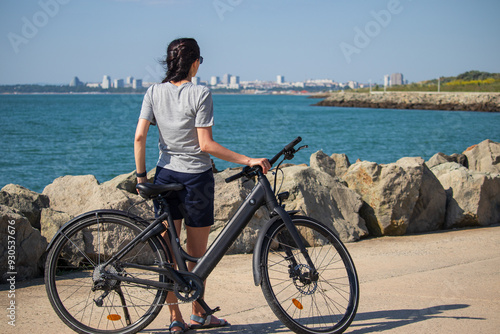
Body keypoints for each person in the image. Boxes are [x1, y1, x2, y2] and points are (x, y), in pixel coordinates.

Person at [134, 38, 270, 334]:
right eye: (200, 61)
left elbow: (140, 138)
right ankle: (199, 313)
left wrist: (141, 178)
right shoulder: (200, 93)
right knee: (198, 255)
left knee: (170, 253)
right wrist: (247, 159)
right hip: (196, 179)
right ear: (194, 62)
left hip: (165, 176)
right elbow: (205, 144)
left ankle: (175, 319)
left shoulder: (153, 92)